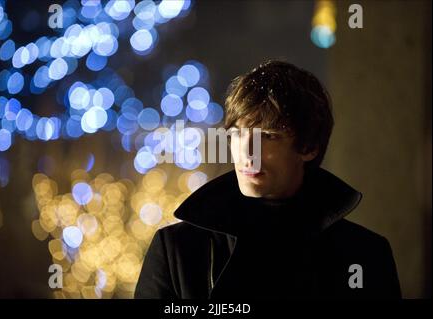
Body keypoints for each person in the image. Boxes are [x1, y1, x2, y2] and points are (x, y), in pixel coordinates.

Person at [134, 60, 401, 299]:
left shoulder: (364, 255)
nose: (247, 154)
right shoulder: (178, 250)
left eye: (268, 136)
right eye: (238, 134)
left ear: (308, 147)